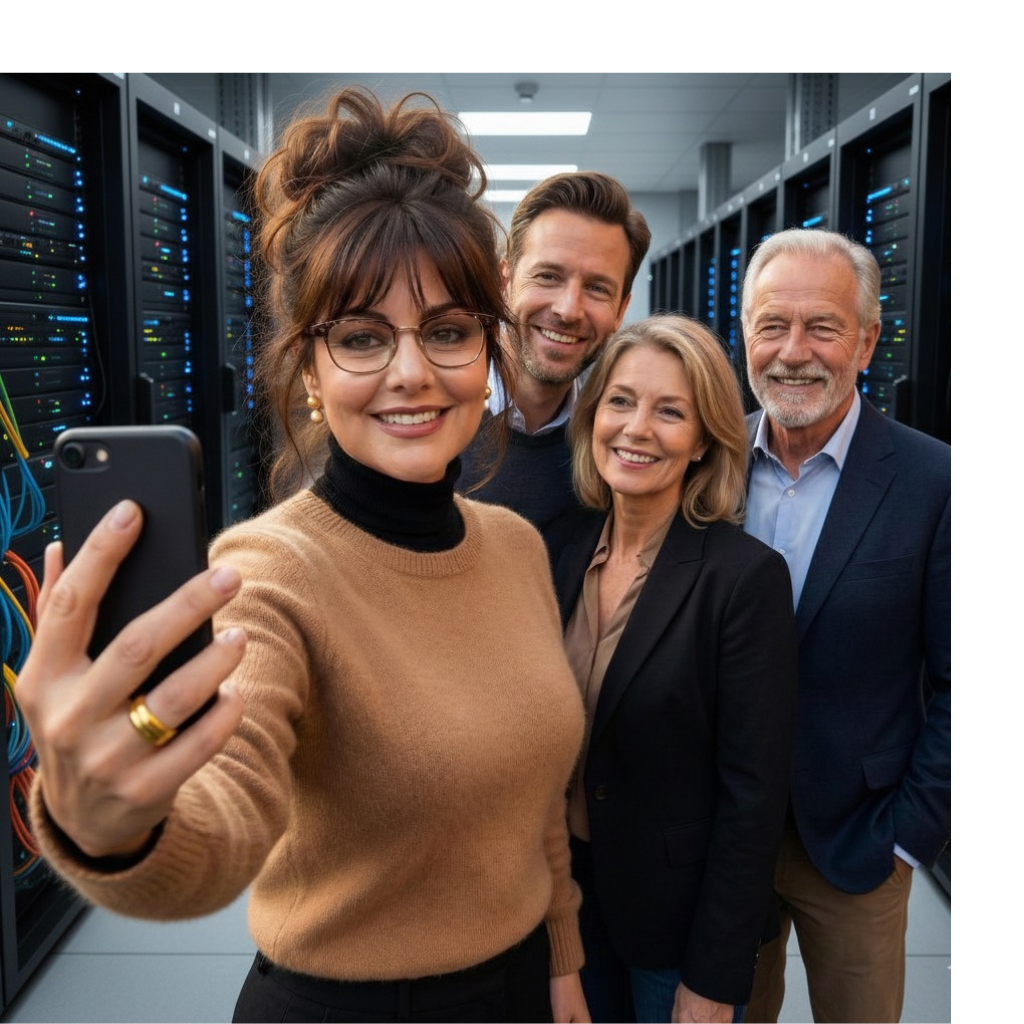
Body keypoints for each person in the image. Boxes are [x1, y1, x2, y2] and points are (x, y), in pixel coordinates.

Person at [17, 88, 590, 1024]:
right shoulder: (268, 574)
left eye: (447, 331)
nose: (411, 372)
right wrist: (113, 825)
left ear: (487, 352)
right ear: (311, 372)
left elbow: (535, 795)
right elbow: (220, 820)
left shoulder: (515, 547)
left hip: (521, 987)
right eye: (361, 338)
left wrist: (561, 957)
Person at [542, 315, 799, 1023]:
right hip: (563, 907)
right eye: (620, 401)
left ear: (704, 440)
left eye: (670, 411)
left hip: (676, 929)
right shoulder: (560, 554)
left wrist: (716, 977)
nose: (637, 428)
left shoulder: (743, 580)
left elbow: (753, 797)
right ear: (592, 417)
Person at [739, 228, 950, 1024]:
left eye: (822, 327)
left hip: (863, 842)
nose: (795, 352)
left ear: (866, 340)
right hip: (725, 833)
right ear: (746, 334)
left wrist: (911, 836)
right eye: (772, 325)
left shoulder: (937, 483)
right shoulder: (704, 463)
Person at [458, 171, 651, 532]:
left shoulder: (616, 452)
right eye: (548, 276)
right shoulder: (432, 413)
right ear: (504, 283)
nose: (568, 310)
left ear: (621, 311)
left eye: (596, 288)